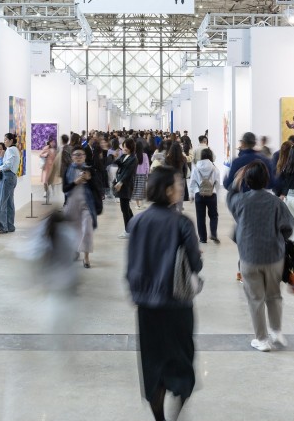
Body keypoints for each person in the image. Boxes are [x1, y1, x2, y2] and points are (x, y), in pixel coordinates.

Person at [126, 166, 202, 421]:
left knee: (153, 364)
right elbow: (195, 264)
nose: (181, 189)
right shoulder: (182, 223)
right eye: (179, 184)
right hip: (177, 304)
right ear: (169, 190)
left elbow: (131, 264)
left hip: (146, 306)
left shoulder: (136, 222)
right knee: (181, 360)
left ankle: (159, 418)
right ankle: (177, 412)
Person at [227, 161, 294, 352]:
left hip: (249, 257)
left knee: (255, 299)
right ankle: (276, 330)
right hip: (274, 256)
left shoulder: (241, 201)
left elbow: (230, 198)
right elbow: (288, 226)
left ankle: (262, 339)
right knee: (274, 295)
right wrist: (279, 239)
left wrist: (236, 181)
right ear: (266, 180)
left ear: (247, 181)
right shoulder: (275, 203)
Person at [64, 148, 97, 268]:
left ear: (85, 157)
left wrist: (89, 179)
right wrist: (75, 182)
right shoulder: (68, 170)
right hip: (72, 204)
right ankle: (75, 250)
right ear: (72, 157)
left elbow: (97, 188)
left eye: (81, 155)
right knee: (73, 230)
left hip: (86, 204)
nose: (78, 157)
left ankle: (86, 257)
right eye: (76, 155)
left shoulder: (90, 170)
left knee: (87, 229)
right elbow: (64, 189)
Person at [188, 147, 221, 244]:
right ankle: (213, 233)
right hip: (211, 194)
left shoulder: (196, 168)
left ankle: (203, 238)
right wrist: (216, 193)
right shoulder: (214, 169)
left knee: (200, 217)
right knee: (214, 215)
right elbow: (218, 183)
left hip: (199, 194)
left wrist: (191, 194)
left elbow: (192, 182)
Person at [0, 133, 19, 234]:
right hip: (12, 177)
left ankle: (2, 227)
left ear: (11, 140)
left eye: (5, 140)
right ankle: (10, 226)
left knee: (1, 202)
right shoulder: (15, 150)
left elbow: (8, 165)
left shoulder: (10, 150)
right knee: (9, 203)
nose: (4, 142)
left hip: (7, 176)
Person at [114, 137, 139, 238]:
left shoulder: (134, 158)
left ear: (131, 147)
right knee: (126, 208)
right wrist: (115, 157)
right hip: (121, 183)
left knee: (124, 208)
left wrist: (121, 182)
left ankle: (128, 231)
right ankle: (134, 227)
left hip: (126, 185)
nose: (124, 148)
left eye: (126, 147)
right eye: (123, 147)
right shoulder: (124, 155)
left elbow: (129, 172)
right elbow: (119, 163)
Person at [133, 139, 150, 209]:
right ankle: (142, 204)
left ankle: (137, 205)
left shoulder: (134, 155)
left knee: (136, 189)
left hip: (135, 174)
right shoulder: (145, 155)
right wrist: (147, 174)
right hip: (143, 174)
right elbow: (147, 165)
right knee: (142, 189)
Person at [40, 138, 59, 202]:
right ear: (49, 142)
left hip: (52, 167)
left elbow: (56, 158)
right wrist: (45, 155)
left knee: (51, 180)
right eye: (52, 142)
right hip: (46, 166)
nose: (53, 143)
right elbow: (40, 155)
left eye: (54, 142)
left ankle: (53, 190)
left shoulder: (55, 149)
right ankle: (46, 191)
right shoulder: (46, 148)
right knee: (45, 181)